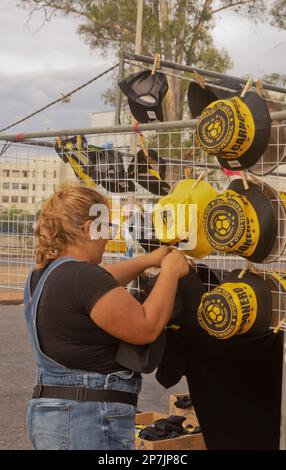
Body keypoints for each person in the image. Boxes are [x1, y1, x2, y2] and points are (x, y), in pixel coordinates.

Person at [24, 183, 189, 450]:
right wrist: (170, 271)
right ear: (89, 228)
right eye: (106, 227)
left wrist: (149, 260)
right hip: (86, 421)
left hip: (54, 417)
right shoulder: (84, 278)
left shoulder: (44, 275)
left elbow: (101, 283)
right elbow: (146, 327)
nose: (108, 236)